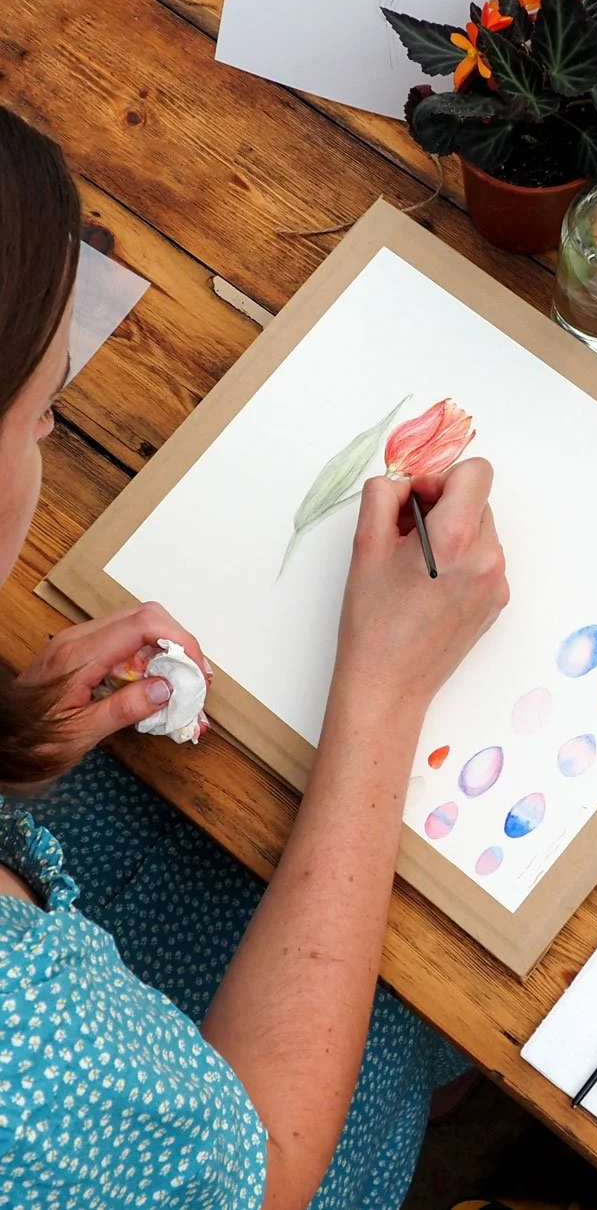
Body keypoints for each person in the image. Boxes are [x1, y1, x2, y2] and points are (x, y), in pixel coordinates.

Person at [0, 106, 509, 1209]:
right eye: (43, 413)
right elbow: (258, 1166)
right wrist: (381, 690)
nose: (50, 437)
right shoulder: (23, 1059)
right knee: (411, 1004)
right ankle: (432, 1091)